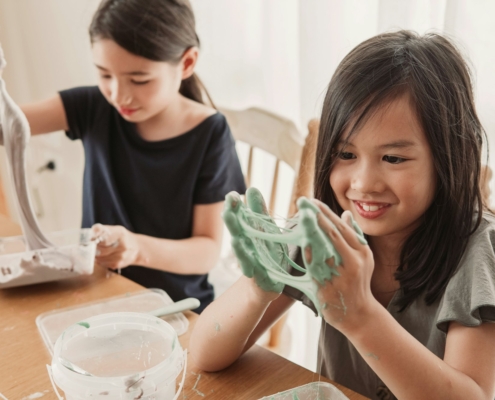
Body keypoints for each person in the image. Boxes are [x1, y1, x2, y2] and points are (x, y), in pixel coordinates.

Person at [190, 30, 495, 399]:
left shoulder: (478, 252)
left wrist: (361, 315)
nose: (363, 183)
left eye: (393, 158)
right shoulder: (323, 235)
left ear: (448, 159)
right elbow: (204, 355)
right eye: (346, 155)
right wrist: (258, 289)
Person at [5, 0, 245, 313]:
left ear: (186, 63)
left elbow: (207, 251)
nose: (118, 95)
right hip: (97, 295)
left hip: (175, 308)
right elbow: (8, 126)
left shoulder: (211, 134)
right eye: (104, 75)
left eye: (139, 79)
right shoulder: (92, 106)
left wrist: (137, 249)